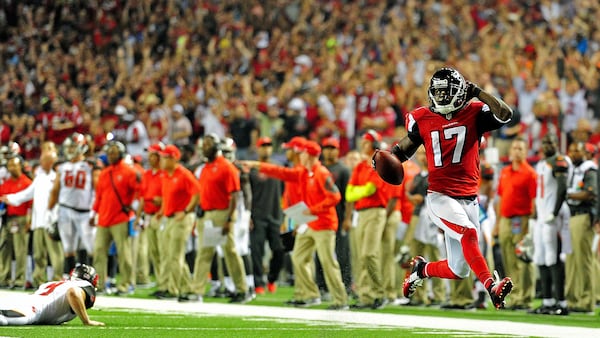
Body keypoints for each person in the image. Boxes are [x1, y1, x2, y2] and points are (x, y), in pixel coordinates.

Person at [377, 67, 514, 309]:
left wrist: (479, 93)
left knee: (458, 269)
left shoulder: (474, 112)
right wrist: (384, 160)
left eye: (446, 92)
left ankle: (421, 269)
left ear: (461, 92)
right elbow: (401, 152)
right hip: (441, 196)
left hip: (470, 198)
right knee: (469, 234)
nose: (440, 97)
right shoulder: (422, 118)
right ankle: (491, 286)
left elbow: (505, 114)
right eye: (437, 92)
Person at [240, 140, 349, 310]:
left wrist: (313, 210)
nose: (300, 155)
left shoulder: (321, 173)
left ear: (310, 155)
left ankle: (340, 300)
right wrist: (255, 164)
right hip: (309, 224)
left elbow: (335, 196)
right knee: (298, 257)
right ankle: (311, 294)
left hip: (324, 225)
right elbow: (280, 172)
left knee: (328, 262)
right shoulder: (304, 173)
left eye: (303, 153)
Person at [192, 134, 250, 303]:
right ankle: (197, 291)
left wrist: (230, 218)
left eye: (208, 144)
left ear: (216, 147)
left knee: (230, 252)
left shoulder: (226, 167)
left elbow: (235, 195)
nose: (204, 147)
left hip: (222, 213)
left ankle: (242, 289)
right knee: (204, 253)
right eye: (204, 144)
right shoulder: (205, 168)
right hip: (207, 215)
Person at [1, 150, 63, 288]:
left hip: (52, 221)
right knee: (38, 254)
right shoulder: (39, 178)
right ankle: (38, 281)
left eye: (43, 160)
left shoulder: (58, 177)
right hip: (38, 221)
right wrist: (10, 198)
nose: (40, 162)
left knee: (55, 253)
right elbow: (27, 194)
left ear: (50, 162)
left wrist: (58, 219)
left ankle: (58, 280)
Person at [346, 130, 389, 309]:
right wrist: (360, 191)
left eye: (366, 143)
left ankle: (379, 292)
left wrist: (359, 191)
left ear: (374, 145)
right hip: (361, 213)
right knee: (361, 256)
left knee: (368, 254)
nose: (362, 146)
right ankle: (366, 296)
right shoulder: (359, 166)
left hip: (375, 212)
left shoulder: (379, 164)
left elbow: (371, 189)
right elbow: (349, 194)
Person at [529, 133, 571, 315]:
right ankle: (547, 301)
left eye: (550, 142)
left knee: (553, 258)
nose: (547, 145)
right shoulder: (540, 164)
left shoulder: (559, 160)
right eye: (544, 142)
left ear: (557, 143)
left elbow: (562, 188)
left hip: (552, 217)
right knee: (540, 257)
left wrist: (554, 212)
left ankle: (561, 302)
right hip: (541, 217)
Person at [91, 141, 139, 295]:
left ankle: (126, 284)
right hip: (104, 218)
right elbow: (99, 196)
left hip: (120, 218)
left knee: (124, 253)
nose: (111, 155)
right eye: (109, 153)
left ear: (121, 154)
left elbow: (138, 191)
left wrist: (133, 207)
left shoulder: (129, 171)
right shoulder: (105, 173)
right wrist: (94, 213)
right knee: (99, 251)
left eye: (114, 152)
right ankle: (100, 284)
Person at [495, 137, 537, 311]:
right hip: (505, 219)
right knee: (508, 259)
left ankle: (525, 297)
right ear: (510, 151)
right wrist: (497, 223)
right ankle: (514, 296)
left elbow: (534, 201)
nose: (516, 151)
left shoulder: (530, 173)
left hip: (522, 219)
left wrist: (529, 227)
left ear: (526, 152)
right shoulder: (504, 171)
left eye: (520, 148)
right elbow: (500, 198)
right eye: (514, 148)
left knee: (523, 260)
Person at [48, 133, 98, 277]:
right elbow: (55, 191)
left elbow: (97, 190)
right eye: (69, 147)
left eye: (73, 147)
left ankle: (90, 277)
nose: (70, 150)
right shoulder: (62, 167)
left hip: (85, 212)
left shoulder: (91, 166)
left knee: (90, 247)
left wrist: (95, 211)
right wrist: (50, 212)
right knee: (68, 248)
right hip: (65, 209)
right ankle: (67, 277)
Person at [154, 144, 200, 302]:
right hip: (169, 218)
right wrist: (162, 211)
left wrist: (186, 211)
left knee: (176, 255)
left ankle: (175, 290)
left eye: (164, 157)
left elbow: (197, 193)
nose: (161, 160)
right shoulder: (166, 175)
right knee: (169, 254)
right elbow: (168, 197)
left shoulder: (184, 174)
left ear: (174, 158)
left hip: (181, 218)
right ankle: (185, 288)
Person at [0, 264, 104, 326]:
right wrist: (86, 321)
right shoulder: (85, 285)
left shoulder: (57, 283)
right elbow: (73, 293)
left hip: (25, 300)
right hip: (33, 308)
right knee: (4, 320)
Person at [248, 136, 285, 295]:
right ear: (258, 148)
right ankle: (258, 283)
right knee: (257, 251)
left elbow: (285, 192)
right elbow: (247, 194)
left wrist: (285, 214)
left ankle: (272, 278)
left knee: (279, 249)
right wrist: (247, 215)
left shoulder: (278, 167)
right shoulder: (252, 169)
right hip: (257, 216)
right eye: (263, 145)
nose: (266, 148)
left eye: (269, 145)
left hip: (276, 216)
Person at [565, 142, 598, 313]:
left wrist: (566, 194)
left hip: (582, 215)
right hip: (571, 215)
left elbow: (591, 193)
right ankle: (572, 299)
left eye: (577, 151)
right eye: (571, 150)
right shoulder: (574, 169)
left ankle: (586, 301)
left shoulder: (589, 169)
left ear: (586, 154)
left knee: (584, 261)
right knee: (571, 260)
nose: (573, 153)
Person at [136, 143, 165, 295]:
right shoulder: (147, 174)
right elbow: (142, 197)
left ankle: (167, 284)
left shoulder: (165, 173)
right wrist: (138, 216)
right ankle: (161, 284)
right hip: (148, 215)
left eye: (153, 154)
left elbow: (167, 197)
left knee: (163, 251)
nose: (149, 157)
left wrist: (161, 208)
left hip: (160, 216)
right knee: (153, 252)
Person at [0, 155, 33, 289]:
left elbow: (31, 204)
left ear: (20, 166)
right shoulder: (5, 184)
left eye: (14, 165)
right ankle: (4, 278)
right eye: (9, 165)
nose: (12, 168)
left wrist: (29, 220)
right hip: (8, 218)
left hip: (21, 218)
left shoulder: (27, 182)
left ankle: (19, 280)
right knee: (4, 249)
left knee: (20, 250)